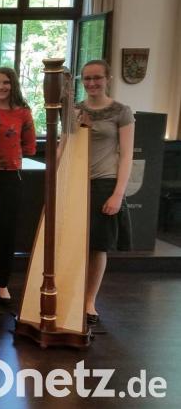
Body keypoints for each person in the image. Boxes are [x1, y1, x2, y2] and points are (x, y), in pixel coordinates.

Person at [77, 59, 134, 326]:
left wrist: (118, 194)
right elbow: (65, 147)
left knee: (98, 247)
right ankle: (72, 295)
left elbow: (126, 156)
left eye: (97, 77)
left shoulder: (121, 111)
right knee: (75, 244)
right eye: (87, 78)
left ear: (108, 78)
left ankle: (89, 300)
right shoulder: (75, 110)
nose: (92, 83)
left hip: (104, 184)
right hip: (76, 184)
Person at [0, 68, 36, 305]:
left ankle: (2, 282)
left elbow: (30, 147)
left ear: (13, 85)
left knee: (6, 231)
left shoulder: (23, 112)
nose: (1, 87)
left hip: (10, 177)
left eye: (5, 82)